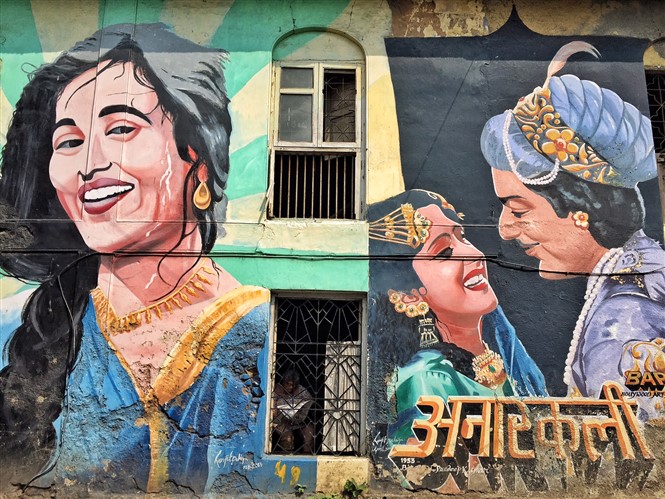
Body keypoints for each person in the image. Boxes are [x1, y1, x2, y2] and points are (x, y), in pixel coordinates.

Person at [0, 24, 269, 493]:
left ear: (198, 159)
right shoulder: (27, 323)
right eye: (68, 142)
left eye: (121, 129)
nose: (89, 165)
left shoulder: (259, 327)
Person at [480, 41, 665, 419]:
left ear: (581, 209)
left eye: (518, 209)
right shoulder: (643, 274)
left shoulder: (622, 325)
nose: (505, 230)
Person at [369, 190, 547, 444]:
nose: (475, 255)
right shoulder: (428, 379)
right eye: (444, 252)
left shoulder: (503, 354)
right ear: (409, 296)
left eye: (462, 237)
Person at [271, 369, 315, 454]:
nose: (290, 387)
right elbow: (272, 409)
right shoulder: (276, 390)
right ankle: (286, 457)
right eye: (287, 384)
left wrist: (304, 409)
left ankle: (306, 456)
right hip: (281, 421)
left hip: (299, 420)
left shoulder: (301, 390)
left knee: (309, 435)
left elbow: (311, 402)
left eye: (293, 385)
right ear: (283, 381)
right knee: (287, 438)